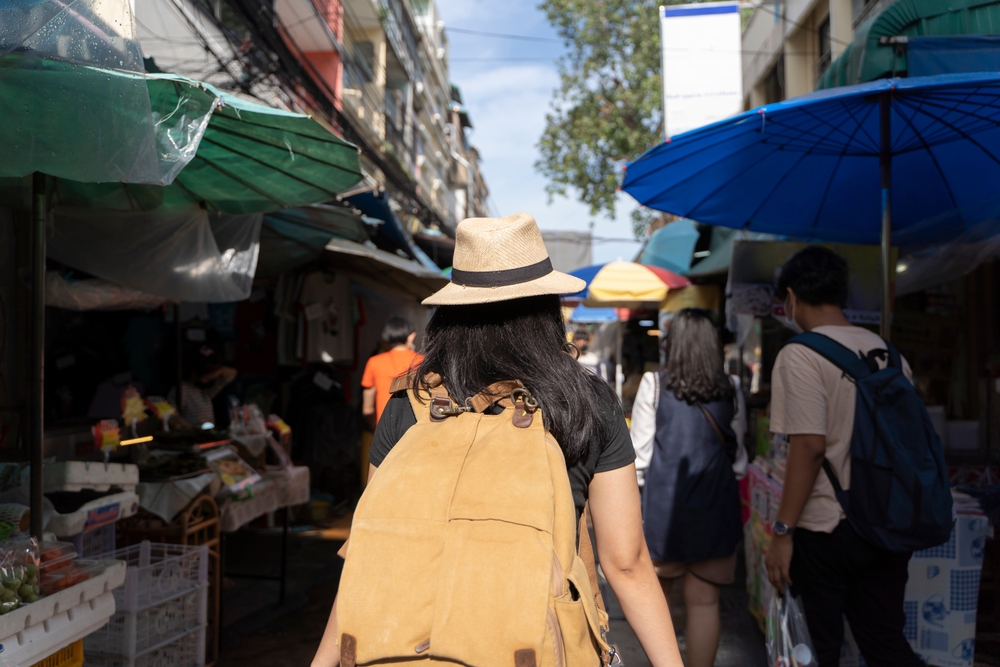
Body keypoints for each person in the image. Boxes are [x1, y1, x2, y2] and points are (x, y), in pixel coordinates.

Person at [312, 213, 682, 667]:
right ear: (546, 306)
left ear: (450, 311)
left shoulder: (411, 402)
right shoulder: (583, 401)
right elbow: (626, 563)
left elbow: (370, 548)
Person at [765, 246, 922, 667]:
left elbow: (810, 447)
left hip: (826, 528)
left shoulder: (799, 354)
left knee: (816, 649)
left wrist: (782, 532)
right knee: (885, 643)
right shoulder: (890, 354)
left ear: (792, 296)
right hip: (886, 522)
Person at [629, 308, 746, 667]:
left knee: (656, 602)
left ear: (672, 345)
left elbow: (640, 459)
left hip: (665, 510)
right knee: (705, 601)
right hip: (716, 506)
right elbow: (738, 458)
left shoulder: (655, 384)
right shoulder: (732, 387)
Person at [360, 317, 423, 430]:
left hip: (385, 431)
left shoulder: (374, 362)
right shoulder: (422, 362)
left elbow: (367, 409)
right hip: (415, 431)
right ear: (411, 336)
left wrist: (377, 430)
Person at [179, 343, 236, 428]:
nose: (211, 379)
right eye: (208, 376)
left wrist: (216, 370)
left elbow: (232, 373)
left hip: (207, 435)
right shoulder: (184, 389)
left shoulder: (205, 393)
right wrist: (190, 431)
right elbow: (172, 415)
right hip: (194, 435)